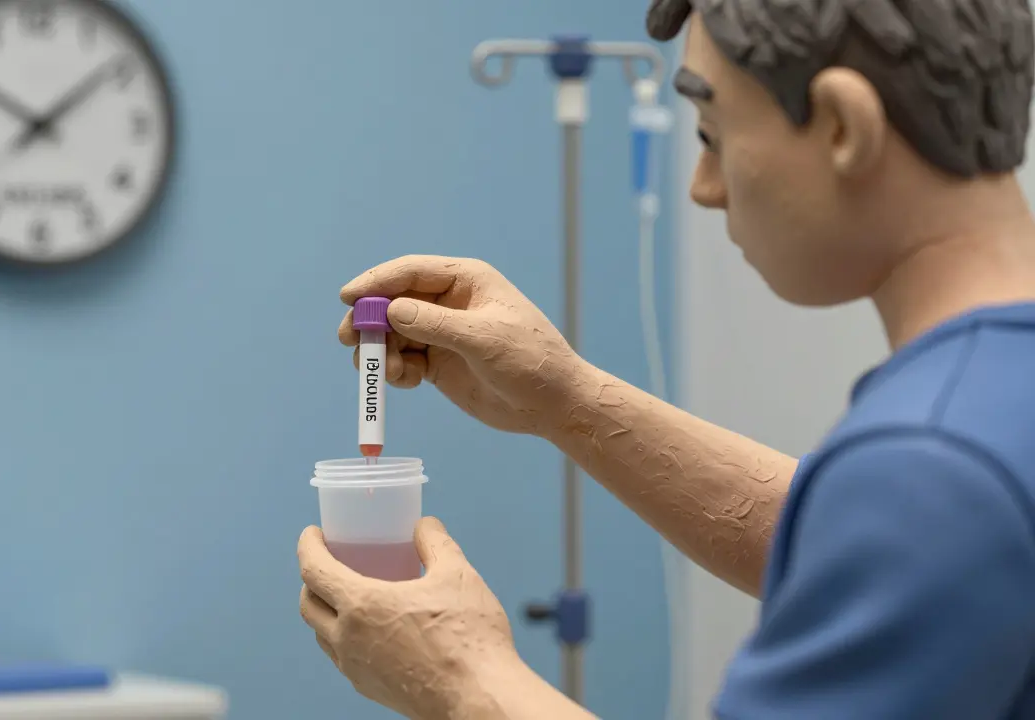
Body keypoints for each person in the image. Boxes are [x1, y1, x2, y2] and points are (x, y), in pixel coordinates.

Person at [299, 0, 1035, 717]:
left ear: (843, 127)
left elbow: (918, 511)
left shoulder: (933, 465)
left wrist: (461, 679)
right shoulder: (975, 433)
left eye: (712, 132)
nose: (703, 189)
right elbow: (888, 549)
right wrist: (563, 398)